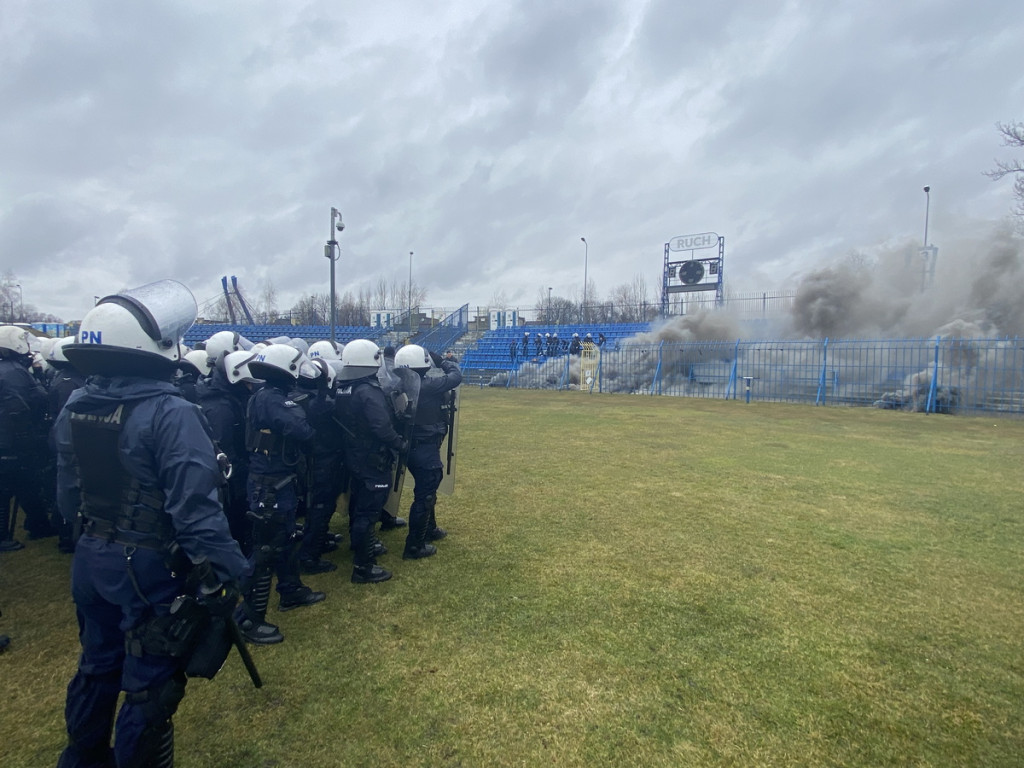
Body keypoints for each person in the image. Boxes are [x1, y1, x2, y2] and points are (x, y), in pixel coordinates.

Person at [54, 280, 249, 768]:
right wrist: (229, 574)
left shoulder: (76, 405)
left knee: (96, 666)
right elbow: (196, 510)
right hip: (145, 566)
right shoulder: (170, 411)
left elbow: (66, 492)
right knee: (150, 685)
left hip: (90, 556)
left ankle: (82, 757)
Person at [235, 343, 328, 645]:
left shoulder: (266, 396)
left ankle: (291, 591)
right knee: (265, 550)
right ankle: (247, 618)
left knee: (285, 539)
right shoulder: (273, 400)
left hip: (277, 481)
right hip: (269, 484)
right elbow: (303, 430)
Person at [335, 339, 404, 584]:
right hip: (372, 458)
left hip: (354, 455)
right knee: (369, 511)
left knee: (359, 505)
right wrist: (400, 444)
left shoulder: (343, 387)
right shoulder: (368, 391)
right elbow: (381, 427)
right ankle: (364, 567)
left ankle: (359, 547)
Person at [394, 345, 462, 558]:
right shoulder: (427, 385)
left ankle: (429, 529)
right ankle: (415, 546)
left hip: (408, 444)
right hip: (424, 445)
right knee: (425, 494)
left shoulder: (396, 384)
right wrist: (443, 361)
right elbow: (455, 376)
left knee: (426, 491)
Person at [196, 349, 262, 553]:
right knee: (236, 517)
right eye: (248, 382)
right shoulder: (221, 408)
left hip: (234, 470)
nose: (251, 386)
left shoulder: (225, 398)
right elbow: (224, 446)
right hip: (230, 475)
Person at [0, 324, 53, 549]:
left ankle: (39, 524)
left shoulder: (7, 369)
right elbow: (36, 401)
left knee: (25, 484)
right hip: (12, 441)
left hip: (8, 439)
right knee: (8, 487)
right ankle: (3, 537)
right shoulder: (14, 372)